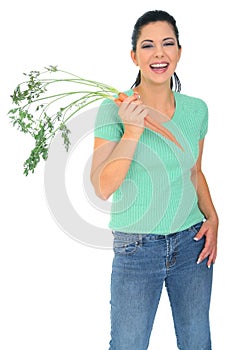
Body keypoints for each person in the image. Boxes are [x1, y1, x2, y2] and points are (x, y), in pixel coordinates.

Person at [90, 9, 218, 350]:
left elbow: (194, 172)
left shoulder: (197, 110)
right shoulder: (113, 109)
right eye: (148, 45)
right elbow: (102, 187)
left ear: (179, 51)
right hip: (136, 248)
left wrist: (214, 218)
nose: (159, 53)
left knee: (197, 342)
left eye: (167, 43)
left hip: (192, 245)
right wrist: (132, 131)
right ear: (134, 55)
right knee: (128, 345)